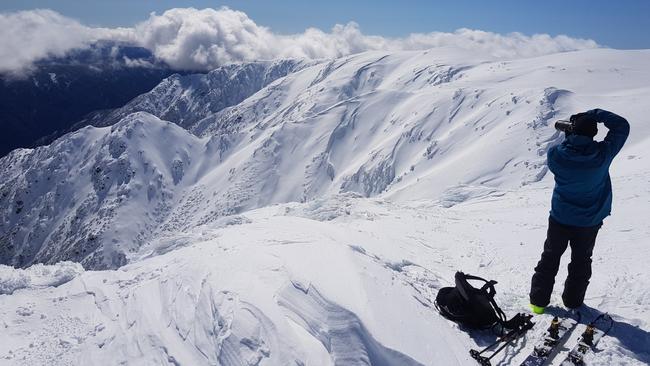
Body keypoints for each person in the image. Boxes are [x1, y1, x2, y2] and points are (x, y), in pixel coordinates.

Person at [529, 109, 630, 314]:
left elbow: (565, 149)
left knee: (550, 256)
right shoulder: (603, 154)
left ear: (572, 132)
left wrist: (572, 134)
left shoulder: (556, 155)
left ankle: (538, 302)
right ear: (593, 134)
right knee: (581, 261)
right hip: (589, 222)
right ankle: (573, 302)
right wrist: (595, 114)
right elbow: (622, 126)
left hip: (560, 217)